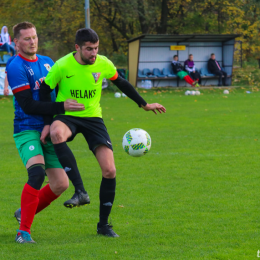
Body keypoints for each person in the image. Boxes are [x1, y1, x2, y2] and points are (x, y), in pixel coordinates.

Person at [39, 28, 166, 237]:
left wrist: (144, 104)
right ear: (77, 47)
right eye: (89, 49)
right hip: (68, 116)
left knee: (110, 171)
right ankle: (80, 191)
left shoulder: (103, 63)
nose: (93, 53)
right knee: (56, 133)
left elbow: (121, 82)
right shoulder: (61, 65)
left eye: (96, 48)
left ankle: (104, 225)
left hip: (93, 119)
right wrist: (48, 121)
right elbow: (45, 90)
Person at [7, 21, 85, 244]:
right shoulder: (15, 66)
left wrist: (53, 122)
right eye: (27, 38)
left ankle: (24, 211)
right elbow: (28, 105)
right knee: (37, 173)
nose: (33, 42)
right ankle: (23, 232)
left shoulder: (48, 62)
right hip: (26, 128)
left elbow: (56, 95)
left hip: (48, 126)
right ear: (17, 42)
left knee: (61, 184)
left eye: (34, 36)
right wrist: (61, 109)